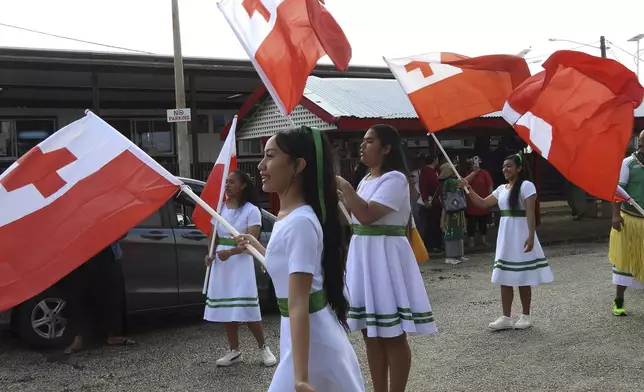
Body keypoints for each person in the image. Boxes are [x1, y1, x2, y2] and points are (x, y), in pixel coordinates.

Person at [234, 127, 364, 392]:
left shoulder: (300, 221)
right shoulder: (290, 217)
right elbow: (287, 272)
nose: (261, 165)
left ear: (298, 165)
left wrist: (300, 377)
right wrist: (257, 246)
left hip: (313, 343)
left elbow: (298, 302)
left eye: (270, 156)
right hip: (304, 336)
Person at [336, 124, 437, 392]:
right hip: (363, 254)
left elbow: (368, 215)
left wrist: (344, 187)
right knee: (370, 332)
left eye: (369, 141)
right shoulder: (366, 180)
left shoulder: (395, 179)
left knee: (392, 334)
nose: (362, 145)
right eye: (363, 140)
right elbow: (354, 219)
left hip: (385, 256)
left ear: (386, 148)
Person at [460, 153, 553, 330]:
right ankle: (506, 317)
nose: (505, 169)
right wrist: (467, 188)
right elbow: (482, 203)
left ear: (519, 168)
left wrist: (531, 235)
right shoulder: (501, 189)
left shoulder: (527, 186)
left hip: (521, 234)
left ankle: (526, 315)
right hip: (505, 235)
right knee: (505, 275)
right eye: (504, 166)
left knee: (523, 276)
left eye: (509, 166)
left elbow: (530, 213)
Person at [203, 170, 276, 367]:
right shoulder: (219, 209)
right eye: (226, 182)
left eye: (232, 182)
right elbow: (213, 237)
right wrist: (210, 255)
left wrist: (232, 252)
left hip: (240, 263)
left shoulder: (251, 210)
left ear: (243, 186)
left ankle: (263, 348)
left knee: (248, 307)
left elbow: (250, 243)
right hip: (221, 263)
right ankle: (234, 351)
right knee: (228, 308)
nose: (227, 185)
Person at [62, 241, 135, 354]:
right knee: (80, 296)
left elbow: (121, 231)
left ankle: (113, 335)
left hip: (107, 252)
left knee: (111, 295)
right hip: (82, 255)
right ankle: (79, 338)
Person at [609, 130, 644, 316]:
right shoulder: (628, 163)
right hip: (629, 220)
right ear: (641, 143)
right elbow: (617, 191)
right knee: (624, 262)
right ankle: (619, 299)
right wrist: (616, 216)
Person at [439, 163, 467, 264]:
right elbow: (462, 184)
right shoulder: (449, 181)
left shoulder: (451, 181)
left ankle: (458, 255)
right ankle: (450, 256)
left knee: (458, 232)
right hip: (451, 211)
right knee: (451, 233)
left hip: (456, 210)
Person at [463, 156, 494, 247]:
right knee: (471, 223)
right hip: (471, 203)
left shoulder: (485, 173)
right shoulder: (468, 174)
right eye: (473, 163)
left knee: (483, 223)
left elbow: (490, 186)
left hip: (483, 201)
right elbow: (464, 183)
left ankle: (483, 240)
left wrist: (491, 199)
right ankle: (471, 240)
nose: (474, 164)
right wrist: (474, 173)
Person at [419, 153, 443, 253]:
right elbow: (424, 186)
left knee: (437, 223)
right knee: (431, 223)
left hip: (437, 201)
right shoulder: (426, 172)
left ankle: (437, 243)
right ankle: (431, 244)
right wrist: (425, 199)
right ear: (434, 160)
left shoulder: (434, 171)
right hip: (431, 201)